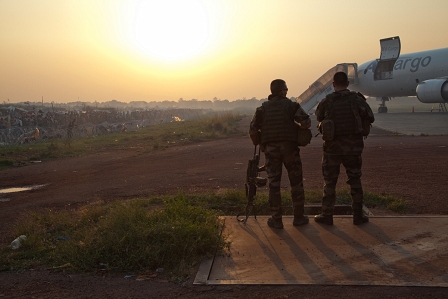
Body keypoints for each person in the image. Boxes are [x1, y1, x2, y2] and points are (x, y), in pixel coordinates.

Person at [314, 71, 375, 225]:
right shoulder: (357, 99)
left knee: (329, 182)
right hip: (353, 148)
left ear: (333, 85)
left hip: (332, 149)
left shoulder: (327, 101)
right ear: (348, 83)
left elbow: (319, 117)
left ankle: (327, 215)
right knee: (355, 180)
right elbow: (370, 116)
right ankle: (358, 216)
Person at [249, 79, 311, 229]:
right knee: (296, 183)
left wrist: (262, 140)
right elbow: (306, 122)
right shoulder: (291, 106)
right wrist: (297, 130)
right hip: (290, 150)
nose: (286, 92)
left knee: (274, 185)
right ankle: (298, 217)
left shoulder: (262, 109)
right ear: (282, 91)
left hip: (271, 151)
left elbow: (252, 131)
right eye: (286, 89)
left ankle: (276, 219)